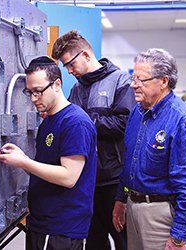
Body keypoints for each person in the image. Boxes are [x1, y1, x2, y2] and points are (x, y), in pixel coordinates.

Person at [112, 48, 186, 250]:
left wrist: (179, 237)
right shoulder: (137, 114)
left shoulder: (185, 122)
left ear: (164, 81)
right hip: (133, 208)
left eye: (141, 79)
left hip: (162, 216)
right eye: (133, 77)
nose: (133, 85)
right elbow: (130, 162)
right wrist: (121, 200)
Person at [0, 56, 97, 250]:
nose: (33, 98)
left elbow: (69, 177)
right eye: (30, 92)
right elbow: (47, 168)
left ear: (57, 84)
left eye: (38, 91)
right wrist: (23, 159)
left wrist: (24, 163)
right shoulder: (49, 120)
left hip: (60, 227)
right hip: (42, 222)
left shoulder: (75, 123)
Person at [52, 30, 136, 250]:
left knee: (123, 239)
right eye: (65, 67)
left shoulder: (120, 81)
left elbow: (124, 125)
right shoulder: (77, 90)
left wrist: (84, 120)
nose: (69, 71)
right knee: (94, 242)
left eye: (70, 64)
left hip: (114, 181)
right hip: (86, 182)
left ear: (87, 56)